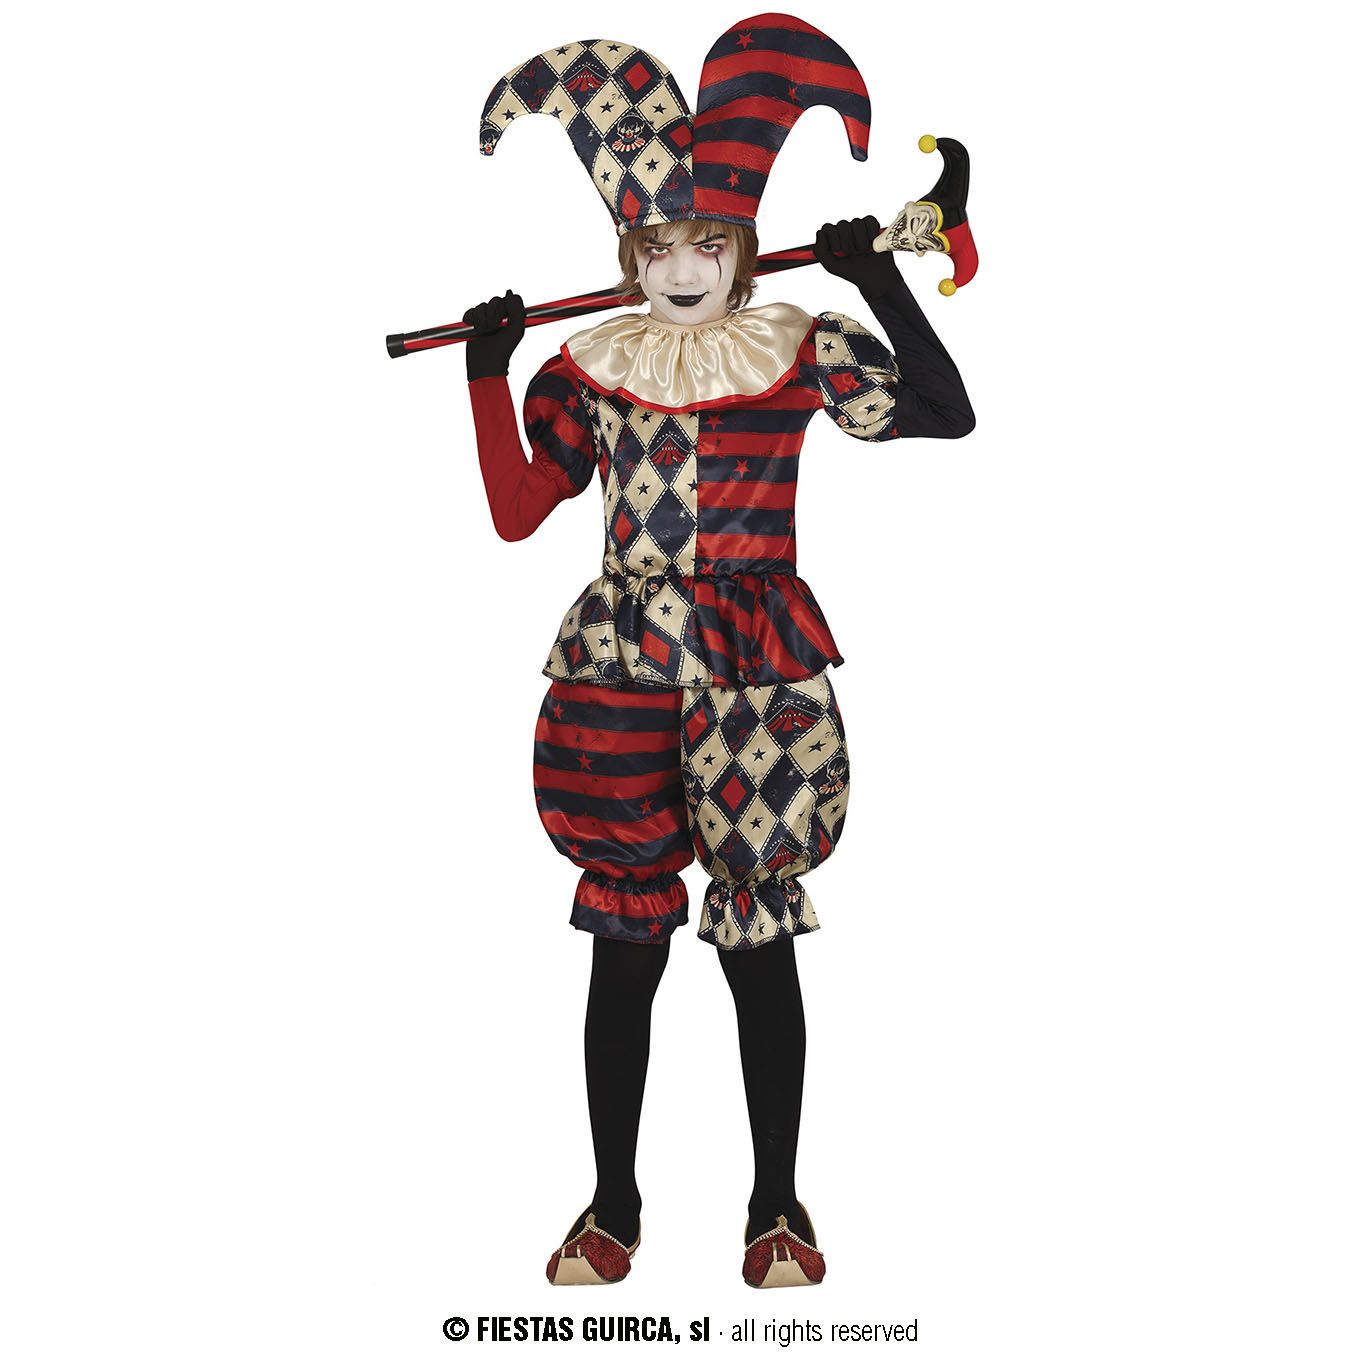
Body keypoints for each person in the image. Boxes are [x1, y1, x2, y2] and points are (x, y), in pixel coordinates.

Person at [460, 17, 973, 1288]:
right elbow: (520, 513)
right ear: (627, 253)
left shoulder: (795, 349)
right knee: (623, 948)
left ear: (744, 247)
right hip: (621, 667)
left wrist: (878, 280)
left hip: (755, 670)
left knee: (758, 945)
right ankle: (612, 1204)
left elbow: (945, 415)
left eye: (708, 243)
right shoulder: (591, 369)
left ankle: (776, 1205)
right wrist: (487, 374)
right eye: (657, 246)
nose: (682, 268)